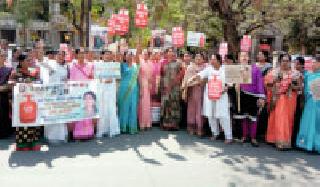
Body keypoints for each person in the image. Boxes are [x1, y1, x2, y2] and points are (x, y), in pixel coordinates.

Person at [188, 54, 232, 143]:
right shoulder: (208, 69)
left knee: (223, 115)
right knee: (211, 115)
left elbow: (230, 82)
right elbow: (200, 75)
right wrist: (191, 79)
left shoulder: (225, 69)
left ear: (219, 60)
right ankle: (215, 133)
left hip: (221, 96)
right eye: (211, 59)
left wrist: (226, 88)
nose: (211, 61)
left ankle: (228, 136)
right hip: (210, 95)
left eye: (213, 59)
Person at [265, 54, 301, 150]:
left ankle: (285, 141)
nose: (285, 63)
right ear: (280, 62)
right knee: (277, 118)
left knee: (287, 119)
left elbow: (300, 87)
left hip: (290, 99)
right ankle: (275, 139)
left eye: (287, 61)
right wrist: (275, 82)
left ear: (290, 62)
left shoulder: (295, 73)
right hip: (277, 98)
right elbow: (267, 85)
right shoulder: (274, 72)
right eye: (283, 61)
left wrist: (291, 86)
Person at [233, 51, 265, 147]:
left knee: (253, 117)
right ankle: (244, 135)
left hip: (253, 96)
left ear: (248, 58)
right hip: (241, 95)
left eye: (246, 56)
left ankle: (253, 137)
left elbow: (260, 83)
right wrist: (235, 85)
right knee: (243, 117)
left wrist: (261, 97)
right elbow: (231, 82)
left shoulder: (256, 69)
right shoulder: (235, 69)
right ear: (239, 58)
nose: (244, 57)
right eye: (242, 56)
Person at [15, 54, 42, 151]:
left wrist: (35, 82)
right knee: (22, 124)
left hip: (33, 102)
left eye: (29, 60)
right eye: (27, 60)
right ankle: (22, 144)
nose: (29, 62)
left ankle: (33, 143)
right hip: (20, 103)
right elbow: (11, 85)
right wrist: (20, 83)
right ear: (21, 62)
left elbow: (40, 83)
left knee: (33, 122)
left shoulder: (34, 72)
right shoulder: (16, 73)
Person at [43, 51, 68, 143]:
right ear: (55, 56)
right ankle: (51, 137)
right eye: (59, 55)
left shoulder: (65, 67)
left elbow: (65, 80)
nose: (61, 57)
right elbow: (41, 61)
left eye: (62, 55)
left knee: (61, 114)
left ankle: (61, 136)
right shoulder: (50, 64)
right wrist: (40, 48)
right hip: (51, 94)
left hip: (62, 94)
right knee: (52, 114)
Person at [296, 56, 320, 153]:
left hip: (318, 104)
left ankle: (315, 145)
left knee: (316, 124)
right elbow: (302, 85)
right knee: (306, 122)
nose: (313, 64)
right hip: (308, 103)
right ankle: (304, 144)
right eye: (312, 63)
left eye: (315, 63)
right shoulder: (308, 75)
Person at [69, 50, 95, 140]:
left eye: (83, 54)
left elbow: (92, 77)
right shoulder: (73, 66)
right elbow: (71, 80)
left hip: (87, 92)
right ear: (76, 55)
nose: (81, 55)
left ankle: (88, 133)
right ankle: (77, 134)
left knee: (87, 112)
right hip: (77, 92)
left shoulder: (90, 65)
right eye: (79, 54)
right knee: (78, 113)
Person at [96, 51, 120, 138]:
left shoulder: (115, 64)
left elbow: (117, 78)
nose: (107, 56)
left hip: (111, 89)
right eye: (105, 54)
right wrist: (103, 81)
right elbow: (96, 77)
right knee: (102, 109)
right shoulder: (98, 64)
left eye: (109, 54)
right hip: (102, 89)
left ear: (111, 56)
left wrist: (113, 81)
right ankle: (102, 130)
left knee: (111, 108)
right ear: (103, 55)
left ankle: (113, 130)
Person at [182, 53, 205, 136]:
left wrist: (197, 81)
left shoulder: (205, 68)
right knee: (191, 109)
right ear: (194, 59)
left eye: (200, 57)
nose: (198, 59)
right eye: (197, 57)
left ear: (203, 59)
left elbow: (205, 79)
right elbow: (185, 79)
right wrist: (184, 89)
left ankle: (199, 128)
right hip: (191, 91)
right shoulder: (190, 67)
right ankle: (191, 127)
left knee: (200, 109)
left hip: (201, 91)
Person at [160, 48, 184, 130]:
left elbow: (181, 73)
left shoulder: (179, 62)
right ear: (166, 53)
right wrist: (162, 86)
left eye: (172, 51)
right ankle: (166, 124)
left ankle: (174, 124)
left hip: (175, 87)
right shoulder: (163, 62)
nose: (170, 52)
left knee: (175, 105)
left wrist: (175, 82)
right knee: (166, 105)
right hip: (165, 87)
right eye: (169, 51)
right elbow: (161, 75)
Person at [118, 52, 140, 134]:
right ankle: (123, 127)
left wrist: (138, 48)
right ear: (125, 57)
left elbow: (138, 61)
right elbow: (118, 59)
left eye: (131, 55)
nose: (129, 56)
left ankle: (132, 128)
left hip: (134, 89)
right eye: (127, 55)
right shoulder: (122, 65)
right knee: (124, 108)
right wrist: (119, 48)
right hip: (124, 90)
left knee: (133, 108)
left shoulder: (135, 66)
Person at [255, 51, 272, 141]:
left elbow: (269, 78)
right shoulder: (254, 65)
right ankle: (255, 131)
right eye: (259, 54)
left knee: (263, 111)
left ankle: (262, 132)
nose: (259, 56)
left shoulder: (269, 66)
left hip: (264, 90)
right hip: (254, 90)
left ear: (265, 57)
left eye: (261, 54)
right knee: (255, 110)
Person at [138, 51, 152, 130]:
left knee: (147, 104)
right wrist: (140, 87)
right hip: (142, 84)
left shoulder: (150, 63)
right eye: (144, 54)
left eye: (147, 54)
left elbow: (151, 76)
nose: (146, 55)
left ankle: (147, 123)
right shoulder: (140, 62)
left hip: (148, 85)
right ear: (142, 55)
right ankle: (142, 124)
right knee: (142, 105)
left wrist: (150, 84)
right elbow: (139, 76)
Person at [0, 51, 13, 138]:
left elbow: (10, 83)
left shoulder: (9, 69)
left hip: (4, 96)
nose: (2, 57)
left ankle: (4, 133)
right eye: (1, 56)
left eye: (3, 56)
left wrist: (6, 87)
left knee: (4, 114)